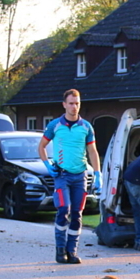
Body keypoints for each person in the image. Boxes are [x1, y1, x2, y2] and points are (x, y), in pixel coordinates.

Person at [38, 89, 101, 264]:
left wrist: (97, 173)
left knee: (77, 213)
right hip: (62, 175)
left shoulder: (86, 127)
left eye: (77, 103)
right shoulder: (55, 125)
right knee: (63, 209)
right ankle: (60, 250)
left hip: (80, 175)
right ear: (64, 104)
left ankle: (71, 250)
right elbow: (41, 146)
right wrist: (47, 165)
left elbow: (92, 151)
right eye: (71, 103)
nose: (75, 107)